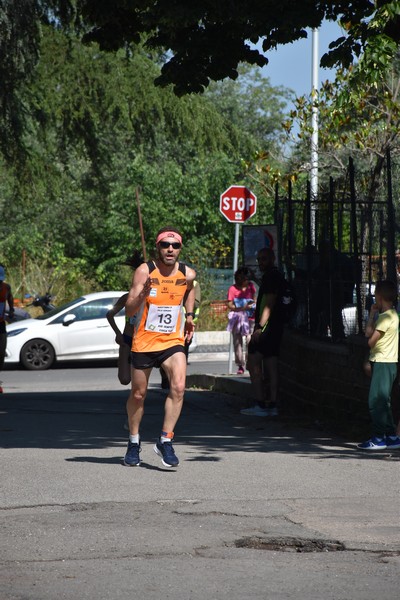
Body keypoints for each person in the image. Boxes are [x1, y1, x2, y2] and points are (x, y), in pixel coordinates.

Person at [124, 227, 196, 467]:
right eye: (165, 245)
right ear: (158, 247)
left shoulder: (187, 273)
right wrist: (141, 295)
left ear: (180, 249)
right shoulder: (145, 271)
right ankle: (134, 442)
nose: (170, 249)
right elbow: (129, 310)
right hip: (144, 340)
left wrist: (190, 315)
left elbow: (190, 288)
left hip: (172, 341)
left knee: (179, 386)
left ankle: (165, 440)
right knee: (138, 394)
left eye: (175, 246)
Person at [241, 248, 285, 417]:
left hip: (266, 328)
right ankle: (272, 405)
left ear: (272, 258)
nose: (260, 262)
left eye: (264, 259)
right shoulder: (274, 276)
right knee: (271, 364)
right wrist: (254, 278)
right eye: (259, 259)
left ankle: (260, 403)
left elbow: (269, 303)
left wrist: (259, 327)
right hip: (275, 328)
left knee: (253, 361)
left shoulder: (272, 277)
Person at [357, 279, 400, 450]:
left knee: (375, 400)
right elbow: (368, 331)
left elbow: (370, 341)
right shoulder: (391, 315)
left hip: (383, 361)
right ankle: (390, 435)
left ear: (380, 296)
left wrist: (373, 325)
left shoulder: (385, 318)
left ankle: (378, 438)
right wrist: (371, 314)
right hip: (389, 362)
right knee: (385, 400)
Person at [106, 251, 143, 386]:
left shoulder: (152, 298)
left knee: (139, 382)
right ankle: (123, 361)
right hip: (127, 339)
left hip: (145, 341)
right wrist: (118, 333)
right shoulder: (127, 298)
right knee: (125, 379)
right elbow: (109, 314)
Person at [160, 278, 201, 388]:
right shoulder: (167, 281)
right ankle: (165, 378)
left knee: (181, 355)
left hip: (184, 327)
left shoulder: (194, 283)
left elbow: (196, 303)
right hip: (167, 326)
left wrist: (177, 295)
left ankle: (177, 382)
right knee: (164, 353)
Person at [226, 268, 256, 374]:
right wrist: (241, 307)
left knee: (250, 340)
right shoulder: (232, 289)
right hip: (237, 317)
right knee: (237, 342)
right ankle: (240, 364)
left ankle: (249, 361)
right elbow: (229, 303)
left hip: (250, 317)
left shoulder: (251, 287)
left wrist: (252, 305)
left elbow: (254, 299)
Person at [0, 264, 14, 393]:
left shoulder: (6, 288)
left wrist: (12, 311)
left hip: (1, 325)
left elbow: (10, 299)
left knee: (1, 353)